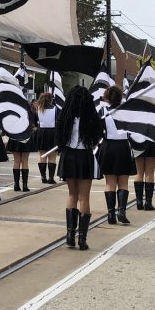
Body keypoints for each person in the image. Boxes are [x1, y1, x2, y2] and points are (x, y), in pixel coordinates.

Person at [56, 85, 102, 250]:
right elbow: (97, 138)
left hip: (68, 155)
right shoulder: (92, 117)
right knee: (84, 197)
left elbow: (59, 139)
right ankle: (82, 238)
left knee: (72, 194)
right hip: (84, 156)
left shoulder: (65, 116)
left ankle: (70, 235)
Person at [97, 85, 135, 225]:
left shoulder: (103, 112)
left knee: (110, 182)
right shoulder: (127, 112)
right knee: (123, 182)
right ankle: (122, 212)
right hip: (123, 146)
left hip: (108, 147)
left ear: (107, 98)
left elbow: (99, 131)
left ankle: (111, 213)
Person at [34, 93, 59, 184]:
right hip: (52, 133)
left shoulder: (38, 109)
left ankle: (43, 176)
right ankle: (51, 178)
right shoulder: (55, 109)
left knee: (42, 156)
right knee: (52, 156)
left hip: (41, 132)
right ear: (51, 99)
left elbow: (35, 123)